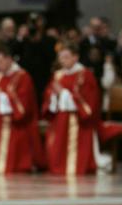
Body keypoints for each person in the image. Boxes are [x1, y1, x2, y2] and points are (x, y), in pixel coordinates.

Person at [0, 47, 44, 176]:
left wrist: (0, 95)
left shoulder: (23, 76)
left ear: (9, 59)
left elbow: (24, 103)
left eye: (0, 61)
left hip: (16, 124)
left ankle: (15, 165)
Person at [42, 44, 109, 176]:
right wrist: (53, 95)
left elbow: (90, 101)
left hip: (80, 121)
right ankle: (60, 166)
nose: (63, 61)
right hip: (60, 119)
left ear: (75, 57)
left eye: (66, 57)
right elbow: (49, 95)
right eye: (61, 58)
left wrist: (64, 93)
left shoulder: (86, 75)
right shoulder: (57, 75)